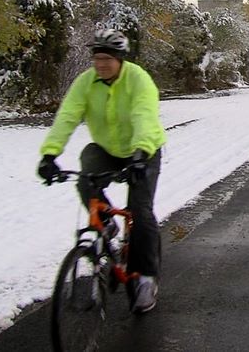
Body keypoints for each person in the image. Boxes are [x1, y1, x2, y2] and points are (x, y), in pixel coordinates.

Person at [37, 29, 166, 313]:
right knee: (86, 171)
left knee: (140, 211)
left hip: (143, 151)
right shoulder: (86, 83)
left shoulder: (138, 80)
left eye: (108, 58)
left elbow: (144, 116)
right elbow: (67, 117)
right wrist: (49, 154)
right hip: (107, 150)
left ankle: (145, 278)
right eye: (97, 58)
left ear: (120, 59)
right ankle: (105, 220)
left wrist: (140, 155)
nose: (102, 64)